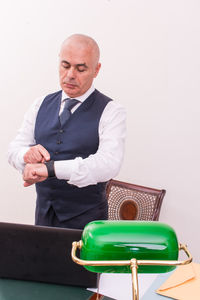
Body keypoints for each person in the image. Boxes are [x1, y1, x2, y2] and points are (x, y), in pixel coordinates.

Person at [8, 34, 126, 229]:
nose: (71, 74)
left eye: (81, 68)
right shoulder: (40, 104)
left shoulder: (112, 111)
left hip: (88, 224)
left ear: (96, 70)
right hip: (43, 218)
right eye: (65, 65)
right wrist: (25, 155)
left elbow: (109, 163)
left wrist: (52, 169)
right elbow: (13, 150)